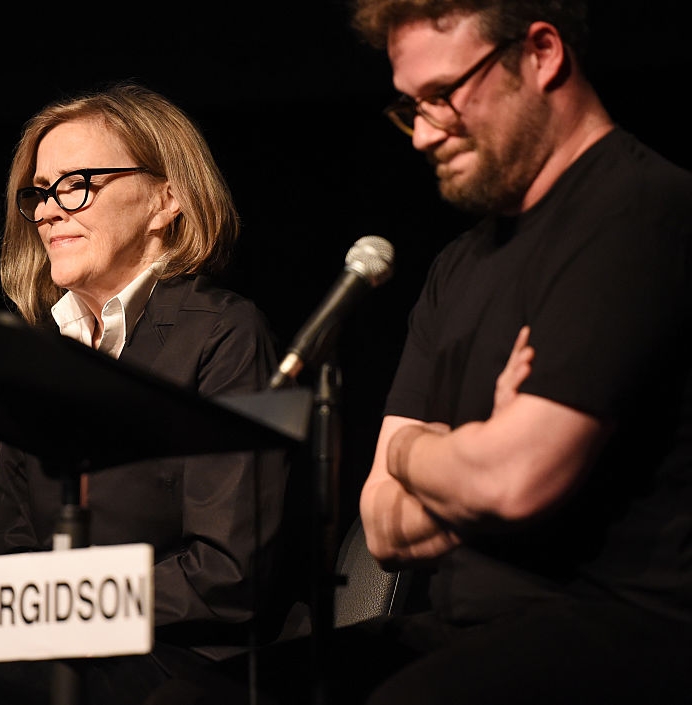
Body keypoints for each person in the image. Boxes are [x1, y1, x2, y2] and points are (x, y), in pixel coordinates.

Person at [243, 1, 692, 704]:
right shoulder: (458, 266)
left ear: (540, 54)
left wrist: (420, 456)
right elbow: (384, 521)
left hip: (620, 626)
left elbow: (514, 478)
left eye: (442, 96)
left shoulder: (639, 209)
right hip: (459, 625)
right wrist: (469, 456)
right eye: (411, 105)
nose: (422, 133)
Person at [0, 81, 296, 705]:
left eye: (76, 184)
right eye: (39, 193)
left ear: (166, 199)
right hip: (51, 644)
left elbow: (227, 571)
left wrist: (65, 606)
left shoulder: (224, 333)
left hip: (180, 661)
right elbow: (11, 546)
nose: (48, 211)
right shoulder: (39, 350)